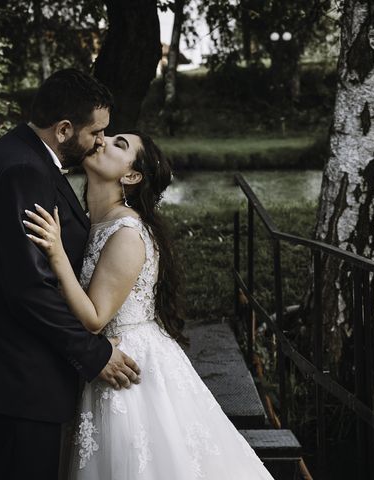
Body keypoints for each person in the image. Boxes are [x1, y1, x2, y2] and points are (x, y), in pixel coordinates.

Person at [0, 69, 141, 480]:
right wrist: (93, 355)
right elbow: (29, 287)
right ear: (64, 129)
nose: (100, 141)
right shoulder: (23, 171)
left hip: (15, 384)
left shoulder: (24, 155)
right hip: (11, 386)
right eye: (97, 132)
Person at [25, 131, 275, 479]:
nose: (103, 140)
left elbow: (96, 318)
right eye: (106, 135)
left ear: (131, 175)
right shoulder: (89, 219)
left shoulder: (127, 232)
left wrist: (56, 254)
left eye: (119, 143)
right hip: (96, 361)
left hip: (127, 366)